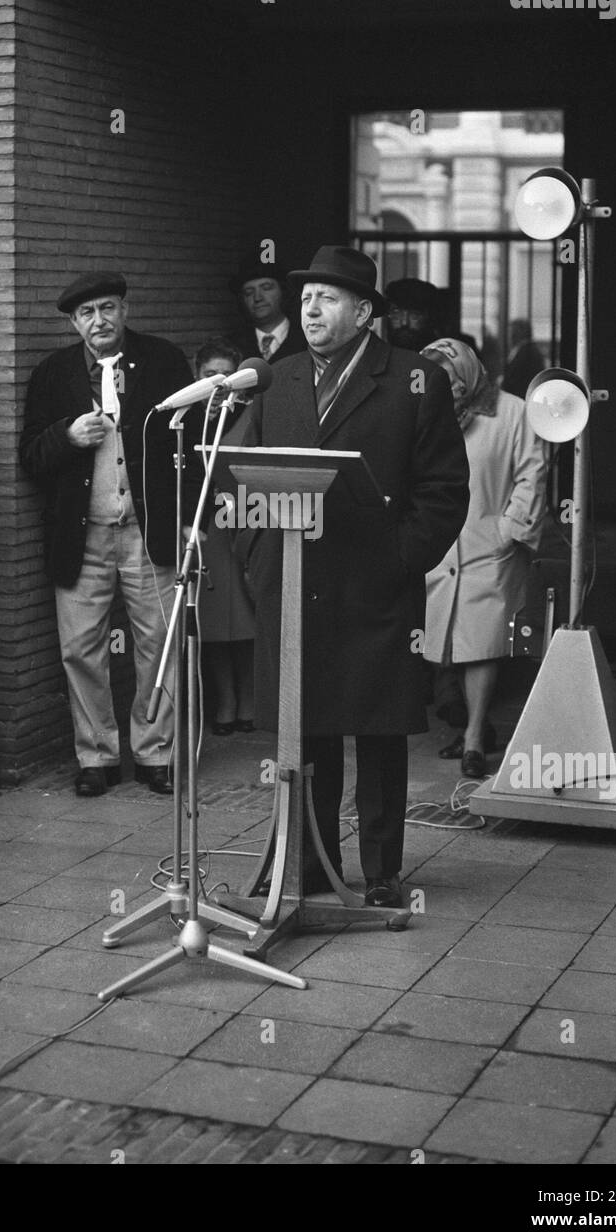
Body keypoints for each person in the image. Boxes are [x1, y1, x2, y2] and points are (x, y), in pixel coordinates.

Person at [241, 246, 469, 907]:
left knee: (378, 731)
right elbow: (245, 477)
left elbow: (445, 490)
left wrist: (398, 560)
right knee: (306, 729)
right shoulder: (277, 380)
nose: (310, 307)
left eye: (328, 297)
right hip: (294, 584)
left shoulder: (412, 378)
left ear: (365, 312)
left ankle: (382, 873)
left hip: (375, 586)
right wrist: (260, 561)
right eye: (306, 297)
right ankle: (313, 866)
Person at [20, 270, 199, 798]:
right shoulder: (52, 374)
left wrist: (192, 517)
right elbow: (30, 455)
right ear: (74, 323)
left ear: (124, 309)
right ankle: (96, 756)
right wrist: (67, 436)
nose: (99, 321)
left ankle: (155, 753)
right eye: (86, 314)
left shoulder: (165, 361)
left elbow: (189, 446)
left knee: (159, 644)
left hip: (151, 531)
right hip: (82, 536)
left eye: (107, 308)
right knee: (81, 648)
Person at [422, 337, 547, 777]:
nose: (450, 389)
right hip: (437, 544)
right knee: (448, 644)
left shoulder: (512, 411)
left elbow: (532, 470)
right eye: (441, 382)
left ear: (471, 373)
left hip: (489, 542)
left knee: (482, 644)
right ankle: (473, 726)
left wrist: (511, 528)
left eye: (455, 379)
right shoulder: (425, 412)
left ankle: (475, 735)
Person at [192, 338, 255, 735]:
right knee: (213, 622)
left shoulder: (253, 415)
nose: (218, 386)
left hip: (246, 524)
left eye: (226, 378)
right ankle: (226, 700)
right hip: (205, 530)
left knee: (248, 619)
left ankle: (249, 698)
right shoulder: (186, 419)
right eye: (209, 376)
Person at [228, 259, 307, 364]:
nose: (257, 297)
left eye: (266, 288)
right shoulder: (231, 346)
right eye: (249, 292)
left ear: (283, 291)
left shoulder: (307, 339)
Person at [384, 278, 445, 354]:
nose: (404, 322)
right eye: (396, 312)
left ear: (429, 316)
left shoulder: (441, 358)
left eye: (414, 314)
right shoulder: (380, 356)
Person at [502, 317, 546, 399]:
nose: (509, 336)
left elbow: (517, 377)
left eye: (512, 332)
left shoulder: (527, 352)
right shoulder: (524, 349)